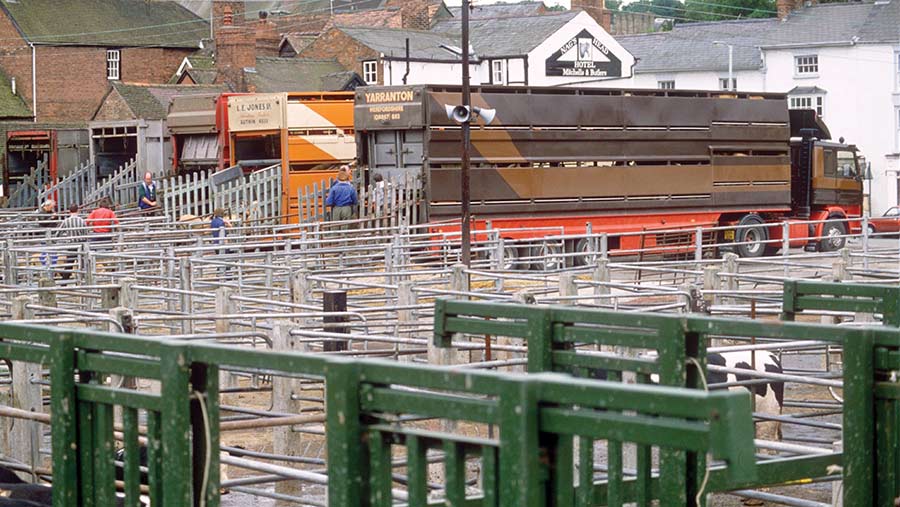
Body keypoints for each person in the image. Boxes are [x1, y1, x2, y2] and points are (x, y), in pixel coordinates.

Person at [56, 204, 87, 280]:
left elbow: (58, 233)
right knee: (83, 263)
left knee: (69, 263)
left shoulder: (66, 221)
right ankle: (83, 280)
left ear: (69, 211)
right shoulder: (82, 221)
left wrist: (57, 240)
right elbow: (86, 233)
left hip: (71, 244)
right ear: (78, 210)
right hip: (81, 243)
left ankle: (64, 282)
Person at [211, 208, 232, 277]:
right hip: (222, 243)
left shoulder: (213, 221)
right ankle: (228, 276)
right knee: (226, 259)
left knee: (220, 259)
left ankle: (218, 273)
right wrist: (228, 223)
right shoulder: (221, 222)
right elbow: (225, 231)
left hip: (215, 242)